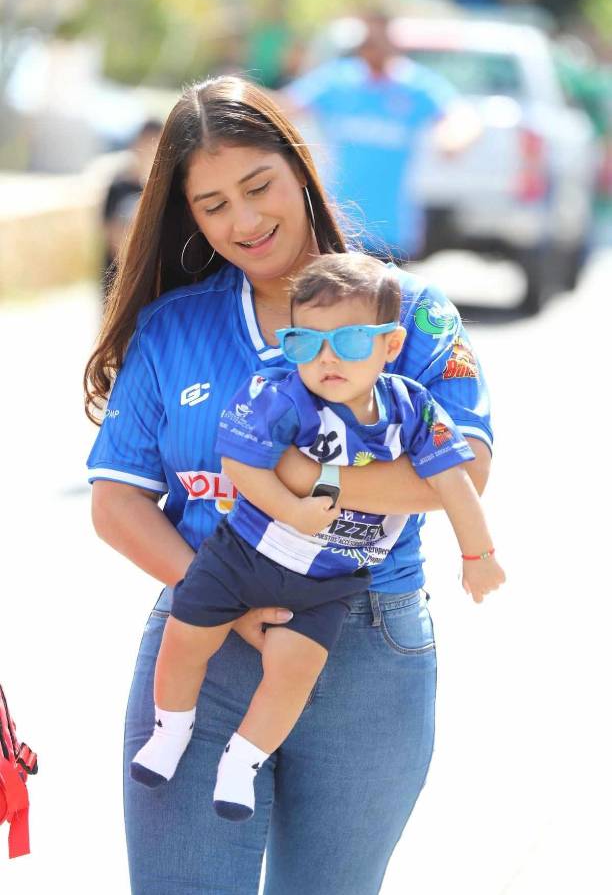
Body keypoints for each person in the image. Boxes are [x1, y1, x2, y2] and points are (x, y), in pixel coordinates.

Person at [84, 75, 494, 894]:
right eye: (211, 204)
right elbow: (116, 502)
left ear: (299, 168)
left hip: (368, 648)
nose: (243, 220)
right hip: (203, 641)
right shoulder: (174, 328)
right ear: (188, 216)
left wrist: (303, 479)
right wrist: (228, 602)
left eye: (258, 186)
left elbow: (463, 473)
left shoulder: (412, 314)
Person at [129, 252, 505, 824]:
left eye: (351, 341)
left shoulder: (415, 410)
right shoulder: (282, 395)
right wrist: (289, 508)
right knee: (184, 636)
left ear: (391, 345)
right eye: (307, 343)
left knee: (294, 673)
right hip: (244, 555)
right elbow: (240, 459)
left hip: (331, 578)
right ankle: (170, 728)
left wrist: (478, 554)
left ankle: (243, 761)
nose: (327, 358)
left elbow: (454, 481)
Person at [282, 11, 480, 260]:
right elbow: (283, 106)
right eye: (366, 42)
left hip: (391, 232)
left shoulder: (415, 85)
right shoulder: (337, 80)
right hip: (339, 227)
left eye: (377, 40)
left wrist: (453, 138)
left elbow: (461, 117)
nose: (371, 48)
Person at [100, 119, 163, 299]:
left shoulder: (161, 191)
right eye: (146, 143)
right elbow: (110, 234)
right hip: (116, 283)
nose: (150, 150)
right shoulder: (119, 186)